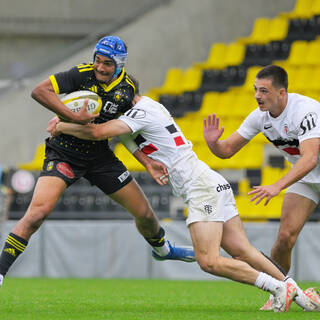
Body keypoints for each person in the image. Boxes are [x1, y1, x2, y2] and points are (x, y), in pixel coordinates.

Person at [47, 79, 319, 312]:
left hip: (201, 188)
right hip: (210, 181)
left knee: (209, 261)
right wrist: (147, 161)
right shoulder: (143, 107)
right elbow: (129, 139)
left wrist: (61, 125)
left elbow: (97, 132)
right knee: (243, 251)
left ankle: (276, 287)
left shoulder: (141, 112)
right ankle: (300, 296)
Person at [0, 36, 195, 288]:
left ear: (120, 65)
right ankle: (1, 272)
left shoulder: (127, 91)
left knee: (145, 214)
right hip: (64, 153)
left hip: (100, 157)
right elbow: (39, 91)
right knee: (37, 213)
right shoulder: (81, 74)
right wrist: (71, 117)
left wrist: (146, 161)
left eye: (108, 64)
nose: (101, 67)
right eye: (98, 61)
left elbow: (125, 131)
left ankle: (163, 249)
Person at [203, 64, 320, 310]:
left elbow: (310, 158)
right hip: (308, 180)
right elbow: (226, 151)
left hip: (307, 169)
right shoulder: (260, 116)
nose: (258, 96)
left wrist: (277, 185)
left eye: (264, 91)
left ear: (282, 93)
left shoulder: (306, 111)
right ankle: (280, 291)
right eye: (256, 90)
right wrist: (213, 144)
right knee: (285, 237)